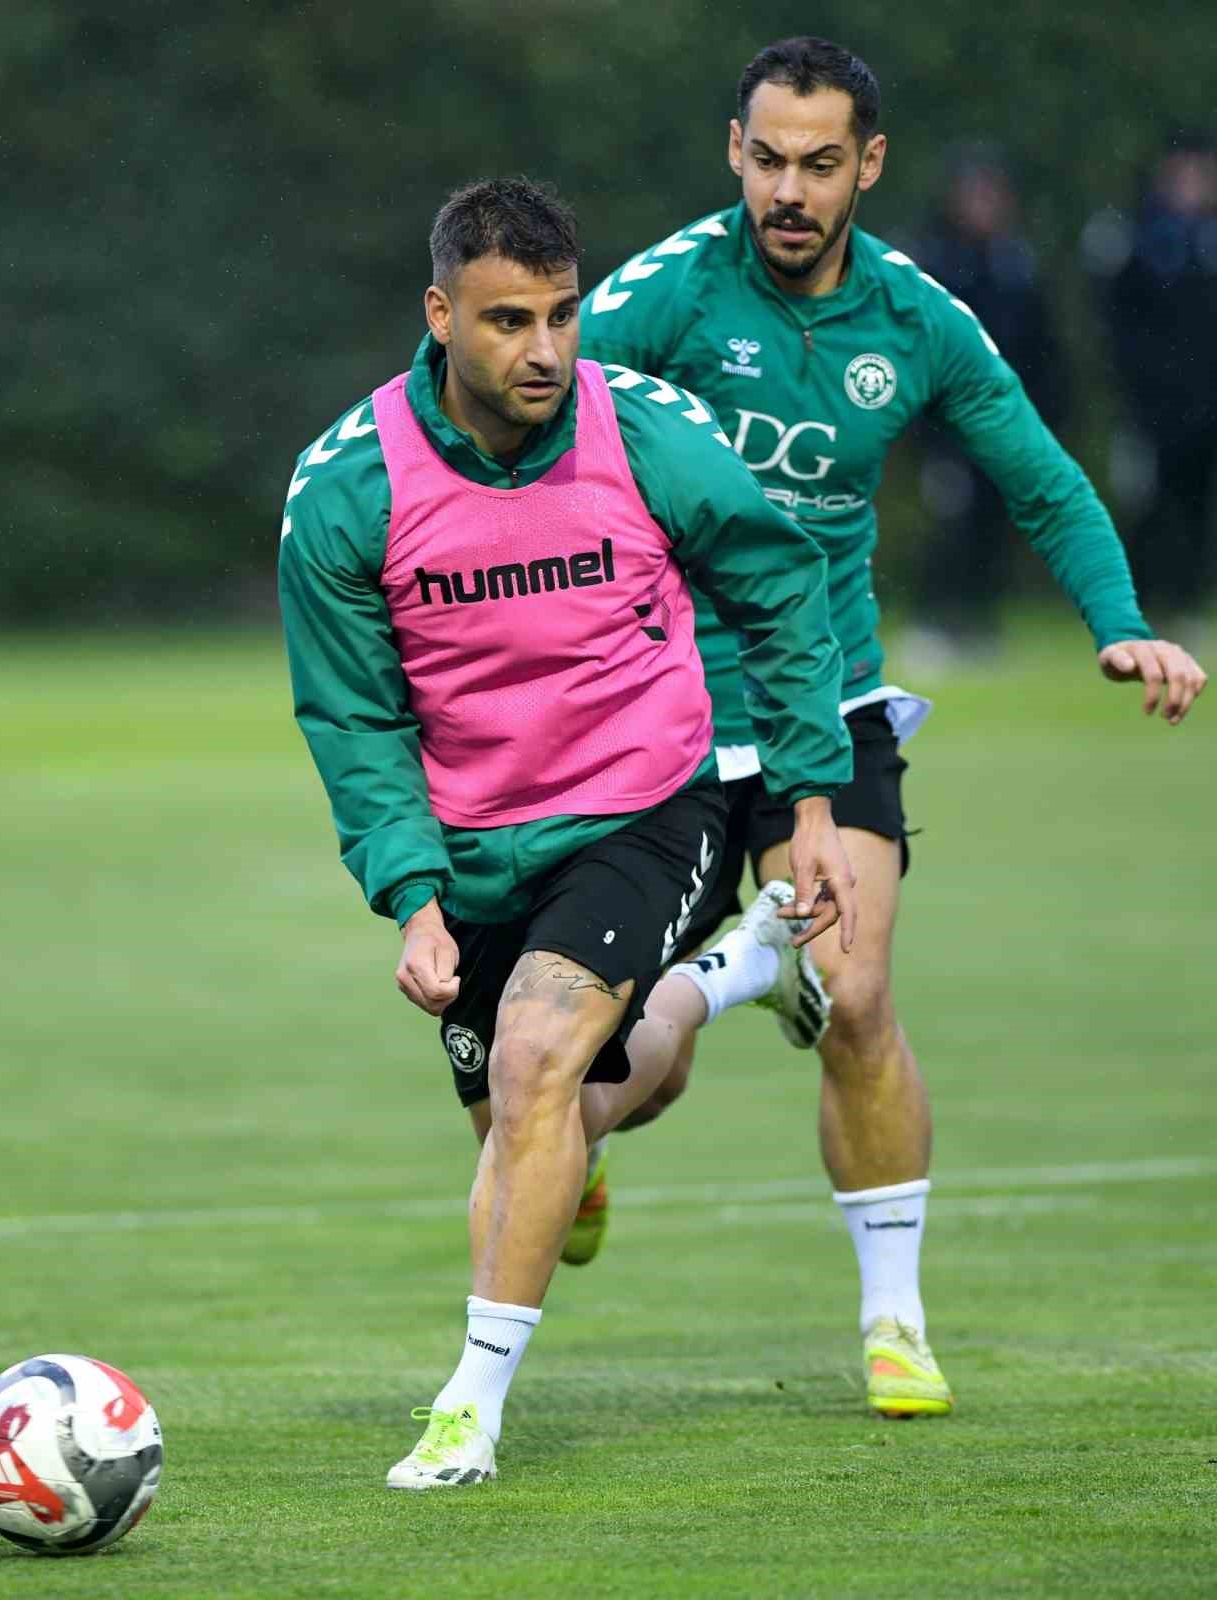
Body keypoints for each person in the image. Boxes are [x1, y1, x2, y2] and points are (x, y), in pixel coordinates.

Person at [575, 36, 1207, 1420]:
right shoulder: (661, 295)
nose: (788, 191)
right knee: (625, 1057)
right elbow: (527, 425)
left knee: (855, 993)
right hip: (661, 714)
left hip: (832, 703)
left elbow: (1040, 476)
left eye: (819, 164)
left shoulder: (918, 319)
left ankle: (895, 1323)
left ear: (867, 165)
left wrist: (1117, 619)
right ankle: (590, 1139)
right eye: (766, 159)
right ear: (732, 151)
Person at [278, 177, 857, 1488]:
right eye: (507, 321)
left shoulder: (645, 429)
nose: (543, 349)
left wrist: (808, 798)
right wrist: (412, 897)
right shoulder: (348, 486)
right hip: (477, 845)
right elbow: (356, 720)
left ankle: (467, 1412)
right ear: (440, 316)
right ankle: (732, 975)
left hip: (649, 802)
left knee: (539, 1057)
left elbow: (778, 586)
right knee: (556, 1112)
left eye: (562, 314)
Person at [904, 147, 1071, 662]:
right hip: (948, 426)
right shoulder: (933, 265)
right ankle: (936, 621)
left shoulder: (1016, 265)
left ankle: (980, 623)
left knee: (992, 527)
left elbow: (1041, 350)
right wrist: (924, 432)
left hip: (1002, 423)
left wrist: (1046, 415)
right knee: (951, 521)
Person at [1083, 130, 1217, 621]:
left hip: (1205, 403)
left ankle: (1186, 602)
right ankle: (1134, 604)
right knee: (1145, 506)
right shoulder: (1134, 240)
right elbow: (1116, 326)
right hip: (1149, 407)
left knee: (1195, 505)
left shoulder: (1207, 241)